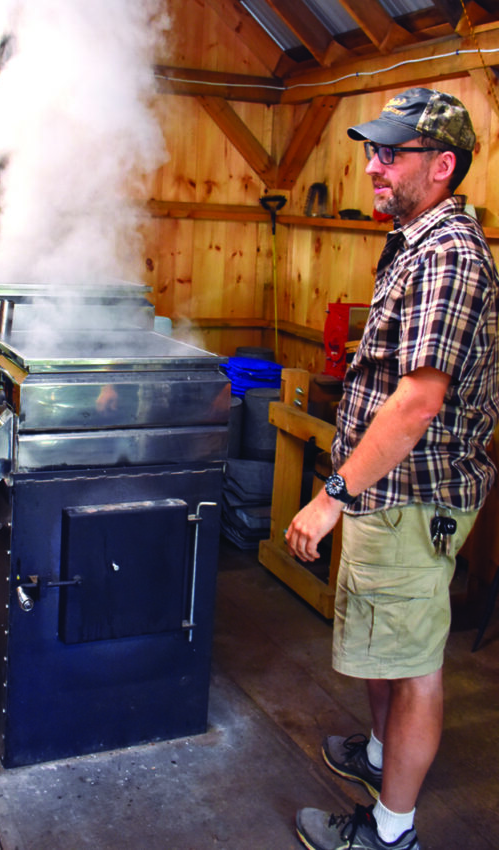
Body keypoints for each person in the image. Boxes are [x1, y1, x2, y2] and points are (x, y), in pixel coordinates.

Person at [285, 88, 499, 850]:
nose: (372, 168)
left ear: (442, 165)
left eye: (390, 154)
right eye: (370, 152)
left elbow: (416, 404)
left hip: (413, 498)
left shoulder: (448, 256)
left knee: (414, 667)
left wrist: (332, 495)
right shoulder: (412, 239)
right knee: (384, 642)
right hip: (385, 492)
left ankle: (391, 833)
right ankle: (380, 760)